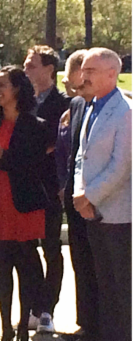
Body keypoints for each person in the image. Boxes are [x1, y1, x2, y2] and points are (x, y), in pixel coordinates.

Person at [0, 66, 48, 341]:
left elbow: (33, 166)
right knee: (2, 268)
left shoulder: (34, 126)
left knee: (25, 268)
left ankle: (22, 327)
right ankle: (5, 328)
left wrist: (3, 155)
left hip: (23, 206)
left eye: (1, 85)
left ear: (16, 88)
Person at [72, 48, 131, 341]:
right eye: (83, 70)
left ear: (112, 74)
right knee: (104, 286)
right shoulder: (91, 107)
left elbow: (120, 166)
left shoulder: (126, 112)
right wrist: (79, 194)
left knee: (123, 290)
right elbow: (82, 156)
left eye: (91, 71)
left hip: (118, 215)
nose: (84, 76)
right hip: (92, 212)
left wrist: (89, 197)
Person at [23, 45, 70, 332]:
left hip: (50, 186)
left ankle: (47, 310)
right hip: (25, 188)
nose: (27, 70)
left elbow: (58, 143)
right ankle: (33, 303)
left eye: (32, 65)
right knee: (27, 251)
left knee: (51, 249)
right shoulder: (24, 102)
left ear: (49, 69)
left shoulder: (63, 103)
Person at [55, 50, 99, 341]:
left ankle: (107, 323)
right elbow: (73, 152)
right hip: (74, 196)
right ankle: (87, 322)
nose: (75, 88)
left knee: (102, 265)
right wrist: (65, 186)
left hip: (102, 197)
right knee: (80, 261)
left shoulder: (116, 106)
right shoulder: (75, 106)